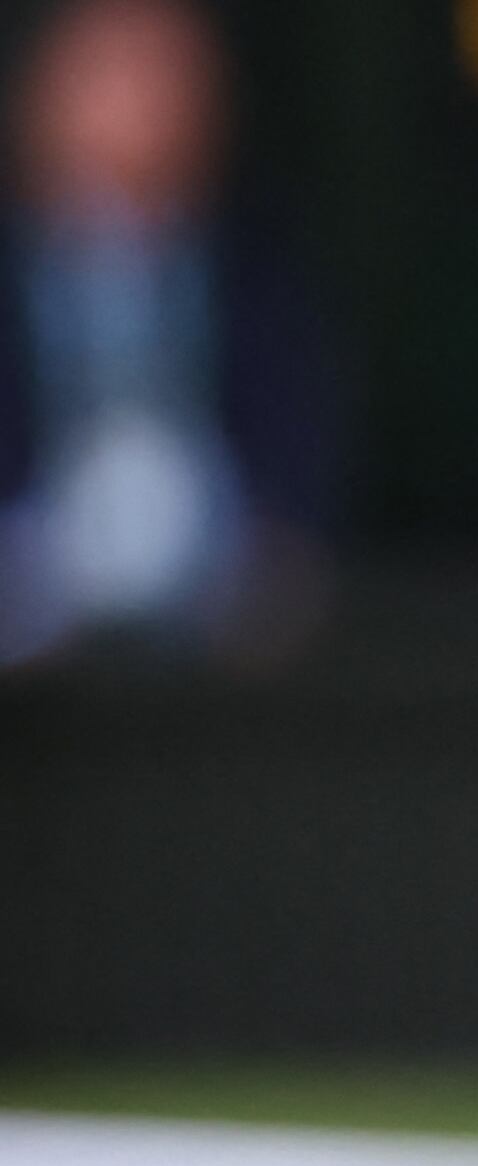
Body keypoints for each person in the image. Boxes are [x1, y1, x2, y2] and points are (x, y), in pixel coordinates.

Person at [0, 0, 330, 671]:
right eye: (109, 69)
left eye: (166, 70)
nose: (139, 99)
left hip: (219, 695)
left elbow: (302, 518)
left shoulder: (260, 280)